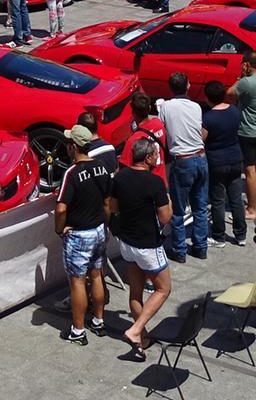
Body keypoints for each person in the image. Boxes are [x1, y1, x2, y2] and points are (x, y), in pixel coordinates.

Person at [111, 137, 173, 357]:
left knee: (135, 292)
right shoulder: (154, 182)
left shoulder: (119, 178)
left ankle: (142, 339)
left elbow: (114, 208)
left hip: (127, 243)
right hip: (148, 244)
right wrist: (168, 199)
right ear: (147, 158)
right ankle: (136, 329)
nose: (158, 157)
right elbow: (165, 217)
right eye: (156, 154)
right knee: (163, 289)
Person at [54, 125, 111, 346]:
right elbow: (107, 202)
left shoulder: (72, 172)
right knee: (96, 276)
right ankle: (98, 320)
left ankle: (78, 331)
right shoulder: (102, 167)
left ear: (73, 147)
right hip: (98, 230)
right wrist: (104, 224)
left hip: (79, 234)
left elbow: (60, 208)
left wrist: (60, 228)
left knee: (77, 283)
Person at [157, 73, 208, 261]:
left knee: (178, 210)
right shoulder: (196, 106)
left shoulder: (166, 107)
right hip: (201, 157)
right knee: (200, 207)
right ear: (187, 86)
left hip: (182, 160)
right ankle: (201, 247)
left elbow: (163, 130)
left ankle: (179, 251)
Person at [201, 81, 246, 246]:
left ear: (208, 98)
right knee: (236, 198)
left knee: (218, 200)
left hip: (217, 162)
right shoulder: (234, 111)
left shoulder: (208, 118)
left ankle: (219, 236)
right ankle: (241, 235)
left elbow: (202, 139)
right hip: (235, 159)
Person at [229, 51, 256, 220]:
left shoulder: (246, 82)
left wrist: (240, 76)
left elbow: (230, 92)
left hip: (247, 132)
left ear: (246, 64)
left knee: (250, 170)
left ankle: (251, 209)